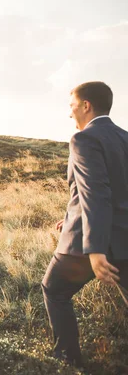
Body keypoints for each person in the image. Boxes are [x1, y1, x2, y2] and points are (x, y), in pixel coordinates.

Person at [42, 81, 128, 366]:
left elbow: (96, 192)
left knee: (54, 290)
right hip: (124, 239)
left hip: (87, 243)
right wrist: (69, 217)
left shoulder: (83, 139)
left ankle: (67, 359)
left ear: (86, 106)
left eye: (72, 106)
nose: (70, 113)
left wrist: (95, 249)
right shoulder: (125, 138)